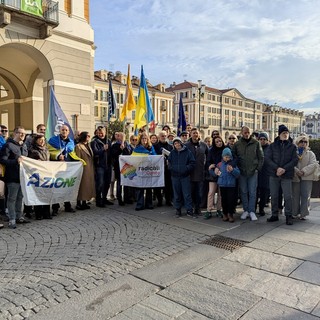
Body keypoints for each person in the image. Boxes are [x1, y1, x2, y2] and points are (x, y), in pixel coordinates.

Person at [266, 124, 298, 225]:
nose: (286, 135)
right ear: (279, 134)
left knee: (288, 196)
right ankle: (274, 214)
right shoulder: (272, 146)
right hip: (274, 174)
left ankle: (288, 215)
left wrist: (284, 169)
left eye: (287, 133)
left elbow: (295, 160)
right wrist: (277, 168)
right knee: (274, 195)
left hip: (287, 174)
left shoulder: (292, 146)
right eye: (284, 133)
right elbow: (267, 158)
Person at [48, 124, 83, 214]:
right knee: (56, 187)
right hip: (56, 167)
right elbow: (49, 152)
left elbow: (73, 154)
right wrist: (57, 156)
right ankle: (55, 208)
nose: (64, 131)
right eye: (63, 130)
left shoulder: (71, 142)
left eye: (66, 130)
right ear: (59, 131)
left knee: (67, 186)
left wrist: (79, 161)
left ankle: (67, 205)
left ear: (68, 132)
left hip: (67, 168)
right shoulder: (52, 140)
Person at [0, 126, 29, 229]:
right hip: (12, 177)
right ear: (14, 134)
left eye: (24, 134)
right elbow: (3, 160)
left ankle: (19, 216)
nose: (22, 135)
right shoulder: (8, 145)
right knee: (12, 198)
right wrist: (15, 161)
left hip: (22, 177)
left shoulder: (24, 146)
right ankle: (12, 219)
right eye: (20, 133)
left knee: (20, 197)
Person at [233, 126, 264, 221]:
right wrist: (237, 168)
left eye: (248, 132)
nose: (247, 134)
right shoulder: (237, 144)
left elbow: (261, 157)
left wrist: (257, 169)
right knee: (243, 191)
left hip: (253, 171)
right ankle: (245, 210)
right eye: (245, 132)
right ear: (242, 133)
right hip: (242, 171)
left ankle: (252, 211)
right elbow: (234, 157)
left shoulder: (256, 143)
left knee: (252, 192)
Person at [210, 148, 240, 222]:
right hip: (222, 185)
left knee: (231, 200)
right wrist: (210, 169)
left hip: (231, 185)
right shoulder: (220, 164)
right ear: (222, 156)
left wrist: (232, 170)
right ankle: (225, 214)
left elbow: (238, 174)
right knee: (224, 200)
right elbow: (215, 174)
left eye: (228, 157)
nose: (227, 158)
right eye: (225, 156)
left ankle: (230, 214)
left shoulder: (233, 164)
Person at [168, 137, 195, 217]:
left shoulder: (187, 152)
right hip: (175, 176)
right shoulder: (172, 153)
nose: (177, 144)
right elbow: (169, 163)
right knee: (177, 194)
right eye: (175, 143)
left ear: (181, 143)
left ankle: (189, 210)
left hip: (185, 176)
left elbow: (192, 163)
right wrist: (172, 168)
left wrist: (186, 169)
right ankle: (178, 209)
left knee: (187, 194)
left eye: (178, 143)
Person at [292, 135, 318, 220]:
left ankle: (303, 213)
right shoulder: (293, 152)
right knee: (295, 195)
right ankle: (294, 212)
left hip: (307, 177)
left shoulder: (311, 153)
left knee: (305, 195)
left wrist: (303, 171)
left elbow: (313, 164)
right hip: (295, 177)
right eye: (301, 142)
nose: (303, 143)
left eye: (305, 142)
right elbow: (290, 163)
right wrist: (296, 171)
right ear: (297, 142)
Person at [185, 128, 208, 217]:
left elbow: (208, 157)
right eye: (193, 133)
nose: (195, 135)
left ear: (199, 135)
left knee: (199, 193)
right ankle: (190, 209)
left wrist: (206, 169)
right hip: (190, 173)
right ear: (190, 134)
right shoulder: (186, 145)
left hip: (200, 172)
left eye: (197, 133)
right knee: (190, 192)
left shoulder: (203, 145)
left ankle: (198, 208)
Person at [28, 133, 51, 220]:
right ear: (36, 140)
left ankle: (47, 213)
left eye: (43, 140)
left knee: (46, 194)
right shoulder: (32, 150)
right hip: (37, 175)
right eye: (40, 140)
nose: (42, 141)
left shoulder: (46, 149)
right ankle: (38, 214)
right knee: (38, 194)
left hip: (46, 174)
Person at [132, 132, 156, 211]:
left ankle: (149, 204)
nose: (144, 140)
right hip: (140, 171)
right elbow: (132, 158)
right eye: (143, 138)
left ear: (148, 139)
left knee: (149, 188)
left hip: (148, 170)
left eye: (146, 138)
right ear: (140, 139)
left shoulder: (150, 147)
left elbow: (155, 157)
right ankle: (140, 204)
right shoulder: (137, 148)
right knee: (140, 188)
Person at [91, 126, 113, 207]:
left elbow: (111, 153)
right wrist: (103, 149)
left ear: (105, 132)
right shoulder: (94, 142)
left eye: (102, 132)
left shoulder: (108, 141)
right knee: (100, 183)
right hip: (100, 165)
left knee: (107, 183)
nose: (100, 134)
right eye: (99, 133)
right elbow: (95, 153)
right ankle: (98, 200)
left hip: (108, 165)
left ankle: (104, 198)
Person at [204, 135, 224, 219]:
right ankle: (209, 210)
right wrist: (211, 167)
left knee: (220, 194)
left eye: (220, 141)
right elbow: (208, 162)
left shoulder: (225, 149)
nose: (219, 143)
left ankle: (219, 210)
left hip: (222, 174)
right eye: (217, 142)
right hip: (213, 175)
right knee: (211, 192)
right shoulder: (211, 151)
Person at [75, 131, 95, 210]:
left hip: (89, 168)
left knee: (87, 186)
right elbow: (78, 158)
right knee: (81, 186)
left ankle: (84, 202)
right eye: (88, 136)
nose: (89, 137)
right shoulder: (78, 146)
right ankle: (78, 203)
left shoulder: (88, 145)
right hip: (83, 168)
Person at [110, 132, 132, 206]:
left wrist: (124, 145)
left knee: (126, 182)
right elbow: (113, 154)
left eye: (123, 136)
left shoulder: (127, 144)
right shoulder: (114, 145)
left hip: (126, 166)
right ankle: (119, 198)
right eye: (119, 136)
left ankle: (127, 198)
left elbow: (129, 153)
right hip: (118, 166)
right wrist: (120, 148)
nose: (121, 137)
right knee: (119, 182)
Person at [153, 130, 173, 207]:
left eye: (165, 136)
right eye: (162, 136)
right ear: (159, 137)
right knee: (158, 186)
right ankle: (159, 200)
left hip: (168, 169)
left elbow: (172, 156)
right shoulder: (155, 146)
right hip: (158, 169)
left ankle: (168, 200)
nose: (164, 137)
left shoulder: (170, 146)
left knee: (168, 185)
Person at [256, 132, 270, 216]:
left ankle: (261, 208)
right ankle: (253, 209)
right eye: (261, 139)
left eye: (264, 139)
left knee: (264, 193)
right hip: (257, 172)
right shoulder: (256, 147)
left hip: (266, 173)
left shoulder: (270, 148)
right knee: (255, 192)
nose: (262, 141)